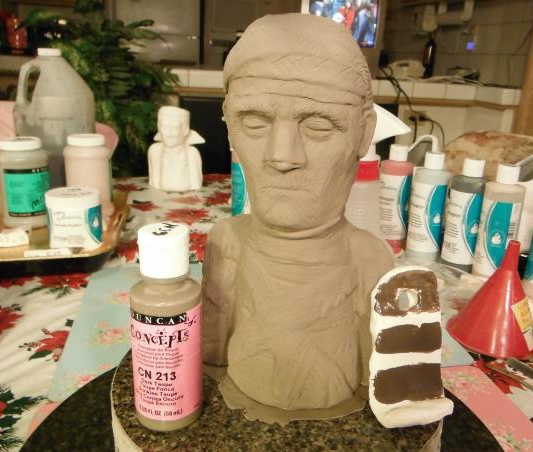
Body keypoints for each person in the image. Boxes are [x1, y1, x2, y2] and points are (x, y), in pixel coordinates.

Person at [202, 13, 393, 413]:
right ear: (229, 123)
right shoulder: (227, 243)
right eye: (255, 122)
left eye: (319, 127)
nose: (282, 156)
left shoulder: (370, 259)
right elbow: (210, 358)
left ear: (363, 132)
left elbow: (382, 381)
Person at [147, 106, 204, 192]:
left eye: (174, 128)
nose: (169, 133)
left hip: (187, 197)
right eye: (164, 127)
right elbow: (153, 179)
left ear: (185, 130)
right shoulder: (154, 151)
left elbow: (196, 183)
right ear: (159, 128)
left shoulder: (191, 153)